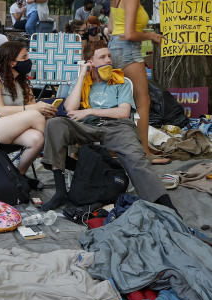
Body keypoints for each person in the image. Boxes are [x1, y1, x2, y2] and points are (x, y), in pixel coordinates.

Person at [39, 41, 178, 213]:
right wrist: (82, 75)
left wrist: (90, 111)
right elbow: (69, 109)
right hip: (89, 128)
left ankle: (164, 205)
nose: (108, 60)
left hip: (118, 127)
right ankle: (60, 192)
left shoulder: (121, 81)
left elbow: (123, 112)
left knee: (136, 158)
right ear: (90, 61)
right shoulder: (82, 82)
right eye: (102, 57)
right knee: (55, 124)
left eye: (109, 56)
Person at [96, 0, 166, 164]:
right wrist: (151, 35)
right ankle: (144, 152)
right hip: (128, 50)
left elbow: (109, 28)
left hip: (115, 48)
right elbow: (129, 33)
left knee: (118, 102)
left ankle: (116, 148)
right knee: (142, 102)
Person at [0, 41, 53, 174]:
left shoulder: (22, 82)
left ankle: (19, 176)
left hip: (9, 125)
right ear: (11, 62)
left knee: (37, 139)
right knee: (35, 115)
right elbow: (0, 110)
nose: (28, 61)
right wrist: (36, 110)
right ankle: (54, 152)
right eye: (24, 57)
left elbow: (31, 108)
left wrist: (45, 111)